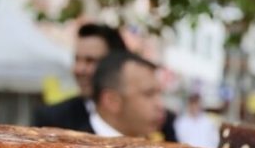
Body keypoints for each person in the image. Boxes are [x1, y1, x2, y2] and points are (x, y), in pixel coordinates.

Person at [33, 23, 178, 141]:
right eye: (77, 59)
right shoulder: (53, 120)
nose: (79, 69)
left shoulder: (161, 123)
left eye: (91, 61)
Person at [89, 50, 167, 139]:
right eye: (148, 94)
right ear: (111, 100)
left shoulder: (159, 140)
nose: (160, 105)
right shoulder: (74, 146)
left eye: (160, 94)